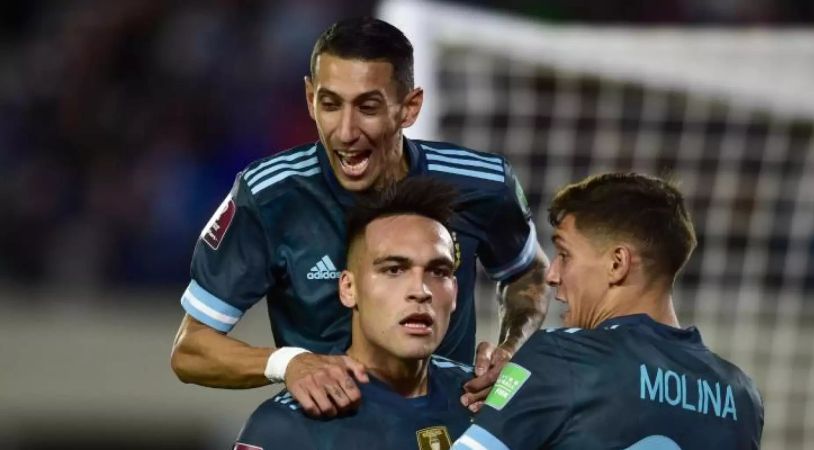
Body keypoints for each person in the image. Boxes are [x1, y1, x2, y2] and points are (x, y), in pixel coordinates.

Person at [170, 17, 548, 417]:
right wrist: (289, 363)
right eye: (330, 104)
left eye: (367, 107)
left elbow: (528, 272)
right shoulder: (267, 197)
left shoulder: (483, 184)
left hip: (450, 433)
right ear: (309, 98)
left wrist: (510, 349)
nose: (346, 132)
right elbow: (191, 349)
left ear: (410, 107)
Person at [452, 173, 764, 450]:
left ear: (617, 263)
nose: (552, 274)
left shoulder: (562, 357)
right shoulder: (742, 397)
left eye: (564, 254)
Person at [234, 177, 473, 450]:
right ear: (349, 288)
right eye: (394, 270)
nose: (421, 291)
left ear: (454, 291)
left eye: (438, 272)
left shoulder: (486, 402)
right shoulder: (284, 427)